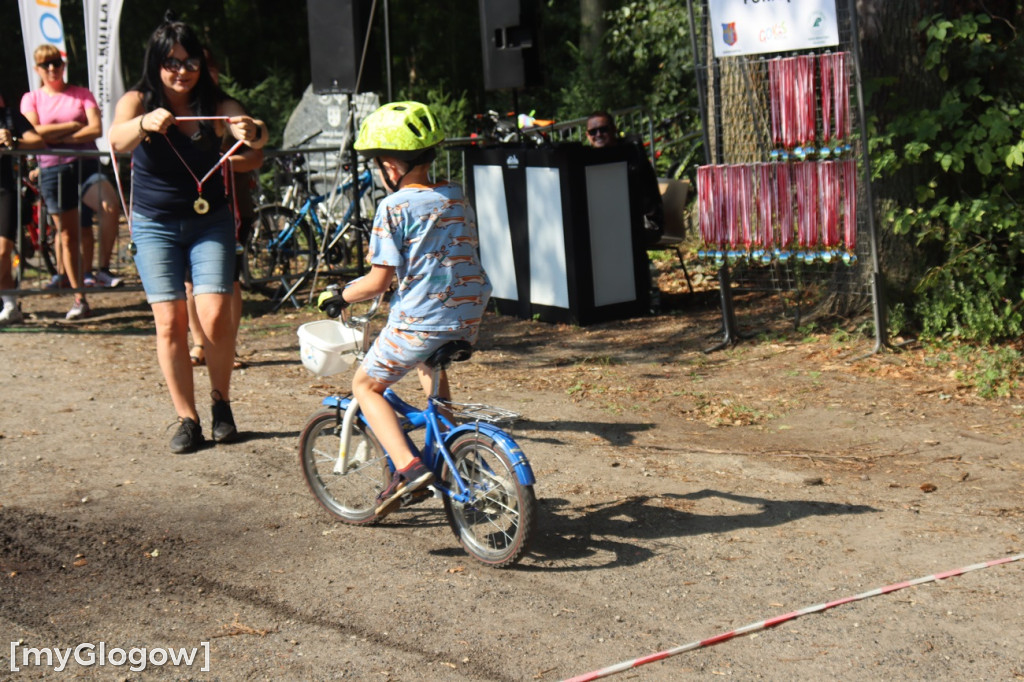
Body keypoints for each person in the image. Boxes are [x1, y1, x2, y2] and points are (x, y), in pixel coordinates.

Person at [318, 101, 491, 516]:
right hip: (468, 314)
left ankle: (410, 469)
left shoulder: (392, 208)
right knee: (429, 362)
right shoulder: (454, 195)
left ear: (390, 167)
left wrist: (340, 295)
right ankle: (448, 440)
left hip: (423, 319)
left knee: (365, 385)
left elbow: (378, 281)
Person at [108, 12, 267, 454]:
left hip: (209, 221)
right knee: (170, 323)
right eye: (172, 62)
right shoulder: (138, 99)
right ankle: (187, 418)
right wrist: (142, 124)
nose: (182, 71)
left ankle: (221, 404)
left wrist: (249, 130)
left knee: (215, 315)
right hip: (154, 224)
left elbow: (254, 134)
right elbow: (115, 139)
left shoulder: (214, 101)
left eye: (190, 61)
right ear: (157, 63)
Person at [21, 45, 124, 322]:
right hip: (53, 170)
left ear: (63, 65)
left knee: (109, 205)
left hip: (87, 166)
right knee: (68, 235)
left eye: (57, 63)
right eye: (46, 65)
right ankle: (79, 297)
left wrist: (54, 136)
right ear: (37, 69)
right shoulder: (31, 99)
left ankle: (102, 269)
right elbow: (31, 133)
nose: (53, 69)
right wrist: (74, 128)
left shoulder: (82, 93)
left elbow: (96, 129)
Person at [186, 48, 260, 371]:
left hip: (231, 211)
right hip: (188, 210)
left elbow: (257, 156)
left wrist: (223, 162)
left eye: (209, 69)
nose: (206, 76)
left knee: (229, 283)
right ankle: (199, 342)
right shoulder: (180, 110)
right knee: (190, 283)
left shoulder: (228, 109)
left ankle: (228, 345)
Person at [585, 111, 664, 247]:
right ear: (587, 136)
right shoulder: (592, 159)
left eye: (603, 129)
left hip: (645, 222)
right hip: (616, 223)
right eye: (593, 132)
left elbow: (632, 196)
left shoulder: (631, 154)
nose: (598, 135)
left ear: (614, 130)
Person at [0, 93, 44, 325]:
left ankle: (9, 304)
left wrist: (13, 141)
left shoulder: (9, 116)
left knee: (2, 251)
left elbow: (37, 141)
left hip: (5, 190)